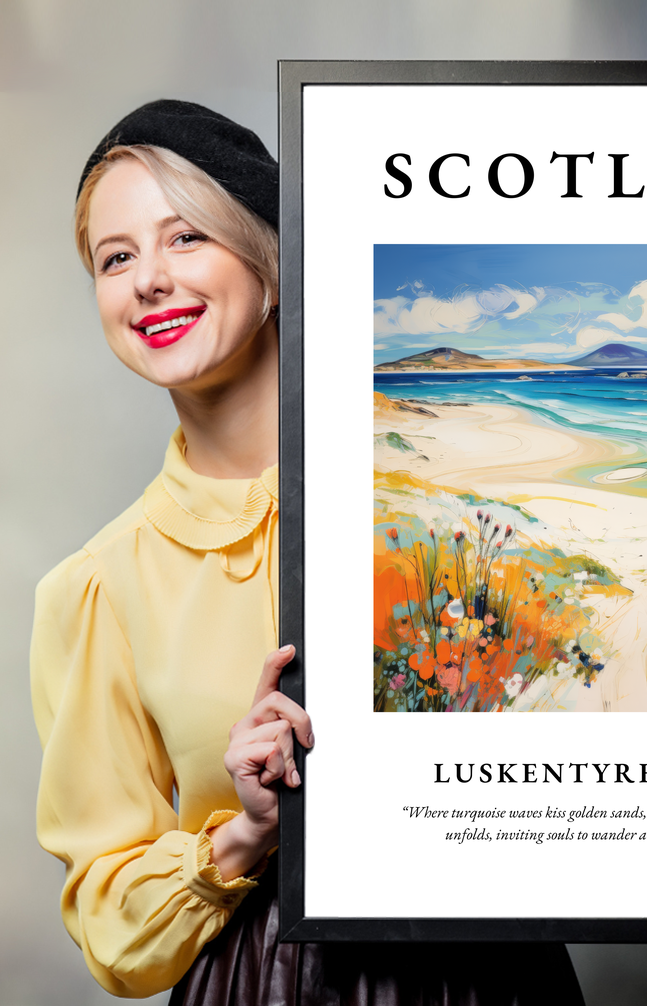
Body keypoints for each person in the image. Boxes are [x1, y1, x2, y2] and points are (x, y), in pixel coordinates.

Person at [30, 100, 586, 1004]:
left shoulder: (448, 497)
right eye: (116, 257)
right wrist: (245, 832)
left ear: (273, 263)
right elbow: (110, 923)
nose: (148, 281)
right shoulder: (97, 587)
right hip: (262, 982)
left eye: (185, 238)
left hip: (492, 973)